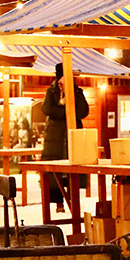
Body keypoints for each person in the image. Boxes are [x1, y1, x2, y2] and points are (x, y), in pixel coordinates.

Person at [40, 62, 89, 212]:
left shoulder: (77, 91)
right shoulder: (52, 91)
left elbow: (83, 111)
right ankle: (59, 203)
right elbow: (46, 108)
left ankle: (74, 200)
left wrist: (67, 112)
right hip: (55, 136)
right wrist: (66, 114)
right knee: (54, 171)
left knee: (73, 170)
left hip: (72, 135)